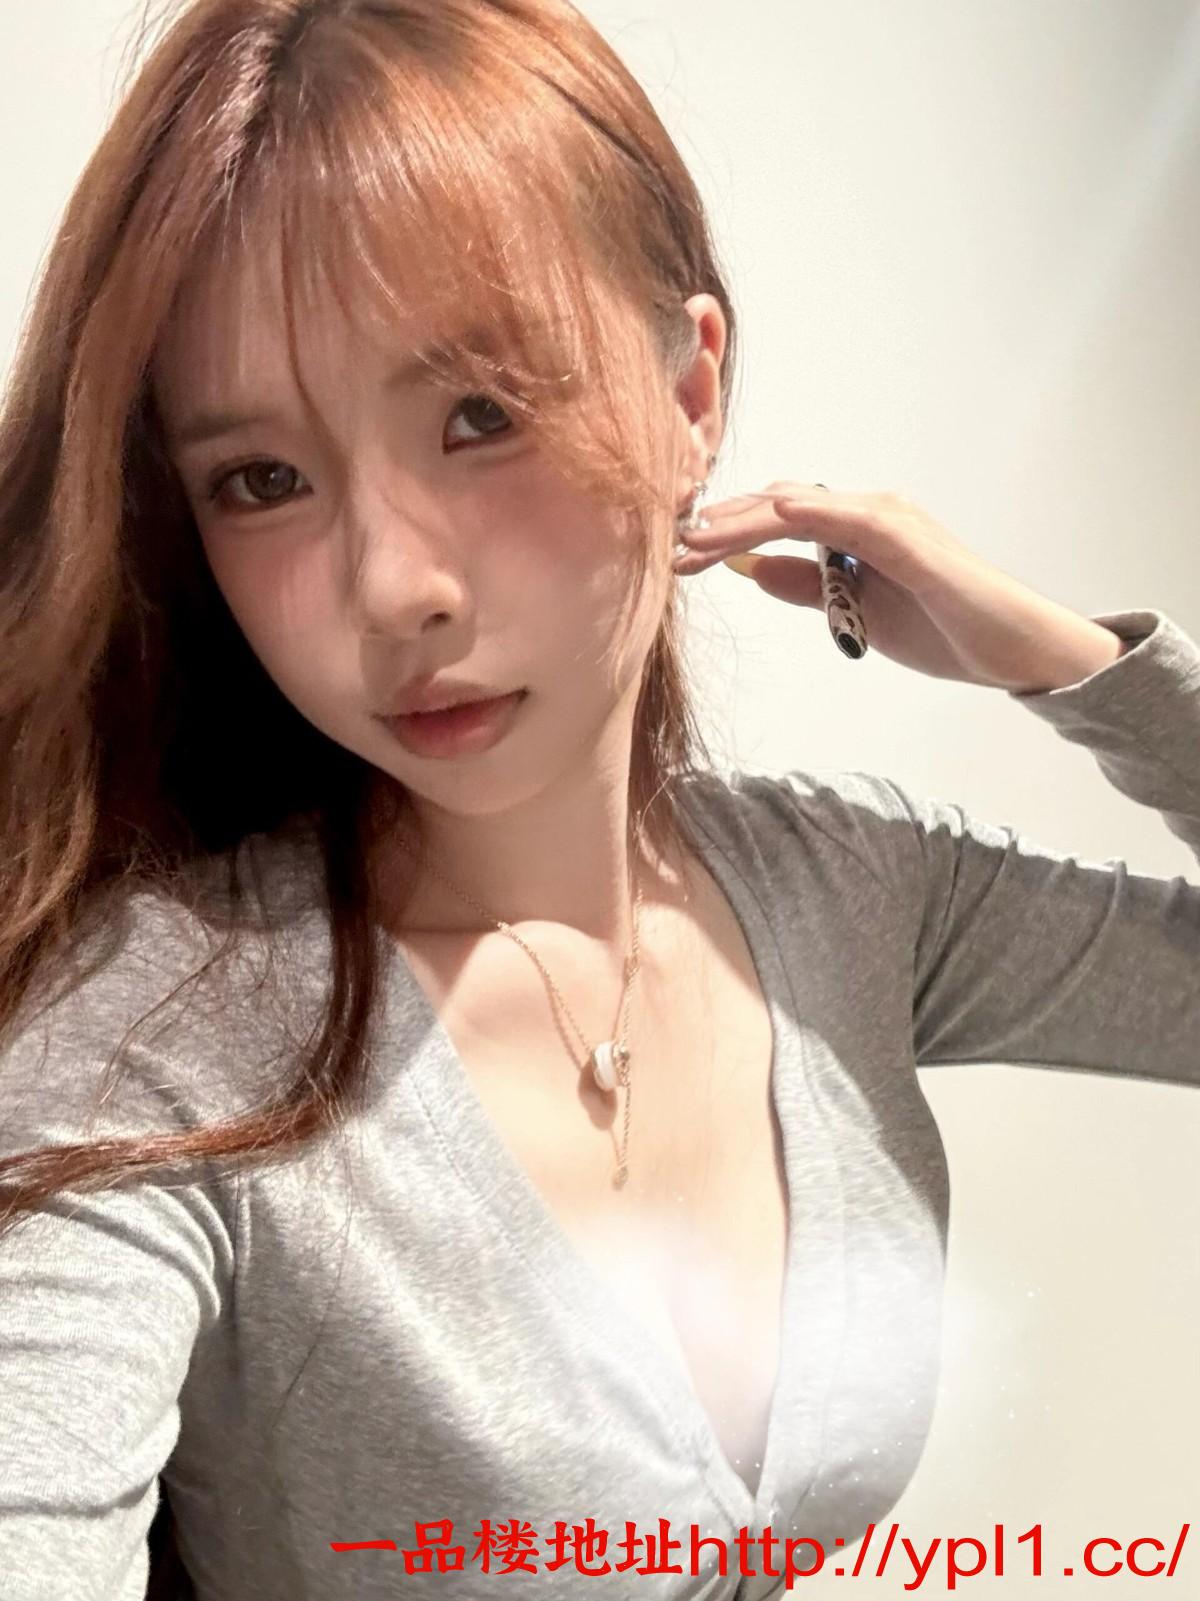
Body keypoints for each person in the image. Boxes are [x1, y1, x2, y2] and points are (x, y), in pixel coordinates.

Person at [0, 2, 1196, 1598]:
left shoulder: (849, 889)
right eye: (263, 480)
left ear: (691, 393)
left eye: (479, 415)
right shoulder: (166, 1041)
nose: (393, 586)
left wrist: (1073, 662)